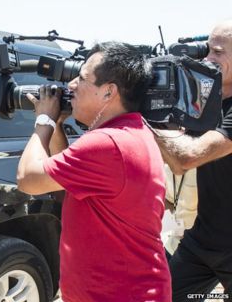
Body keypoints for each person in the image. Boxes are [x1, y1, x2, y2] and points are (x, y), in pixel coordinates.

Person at [17, 42, 171, 301]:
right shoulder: (130, 133)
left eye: (82, 78)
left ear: (109, 92)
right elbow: (66, 179)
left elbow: (28, 179)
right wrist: (56, 125)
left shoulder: (107, 144)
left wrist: (43, 121)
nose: (71, 85)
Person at [155, 19, 232, 301]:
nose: (209, 59)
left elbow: (185, 158)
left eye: (218, 52)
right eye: (207, 50)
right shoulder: (204, 102)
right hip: (203, 239)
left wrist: (148, 123)